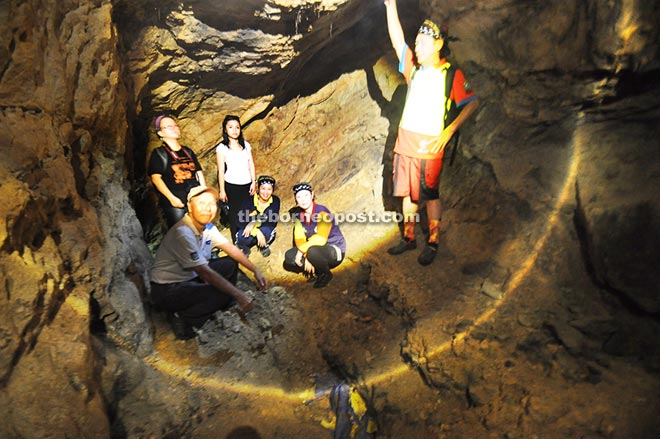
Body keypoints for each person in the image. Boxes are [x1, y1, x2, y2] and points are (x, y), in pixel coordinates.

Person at [383, 0, 480, 265]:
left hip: (429, 146)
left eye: (423, 41)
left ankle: (434, 241)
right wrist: (390, 6)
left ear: (438, 44)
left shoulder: (451, 74)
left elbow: (472, 103)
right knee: (406, 194)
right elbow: (397, 41)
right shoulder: (413, 71)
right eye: (417, 40)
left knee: (429, 194)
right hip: (405, 143)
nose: (417, 45)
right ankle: (409, 238)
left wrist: (448, 132)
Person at [150, 185, 268, 339]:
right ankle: (186, 320)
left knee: (230, 263)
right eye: (201, 203)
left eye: (212, 204)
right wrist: (238, 295)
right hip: (167, 289)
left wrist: (255, 270)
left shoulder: (207, 228)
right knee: (223, 292)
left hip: (188, 276)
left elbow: (230, 248)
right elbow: (206, 272)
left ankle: (217, 301)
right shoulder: (183, 233)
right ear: (189, 207)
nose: (207, 208)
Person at [283, 182, 346, 288]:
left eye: (306, 195)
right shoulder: (299, 216)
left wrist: (304, 254)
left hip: (333, 250)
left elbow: (321, 239)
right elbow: (299, 238)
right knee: (289, 256)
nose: (303, 199)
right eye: (299, 196)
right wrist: (304, 255)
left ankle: (325, 273)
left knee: (312, 251)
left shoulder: (322, 212)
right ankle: (314, 267)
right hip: (314, 249)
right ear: (295, 199)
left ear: (312, 195)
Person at [148, 114, 206, 228]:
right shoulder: (159, 154)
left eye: (175, 125)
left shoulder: (188, 151)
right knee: (182, 235)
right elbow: (156, 178)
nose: (174, 128)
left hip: (195, 199)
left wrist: (205, 192)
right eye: (169, 126)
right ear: (160, 133)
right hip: (176, 204)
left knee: (200, 232)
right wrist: (172, 199)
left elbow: (198, 172)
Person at [216, 115, 256, 241]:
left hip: (247, 183)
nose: (234, 130)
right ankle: (236, 239)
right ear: (225, 130)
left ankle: (249, 237)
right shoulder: (222, 148)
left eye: (237, 127)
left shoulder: (246, 145)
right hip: (232, 185)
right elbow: (221, 170)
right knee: (234, 214)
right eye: (231, 127)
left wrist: (254, 181)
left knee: (248, 211)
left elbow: (251, 164)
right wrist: (222, 190)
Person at [235, 175, 281, 257]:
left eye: (269, 189)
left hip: (263, 228)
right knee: (242, 235)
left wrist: (254, 224)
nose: (266, 193)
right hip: (248, 229)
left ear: (273, 190)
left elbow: (272, 221)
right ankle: (245, 247)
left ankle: (262, 245)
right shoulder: (248, 200)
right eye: (263, 189)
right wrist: (255, 231)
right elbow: (239, 220)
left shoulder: (275, 201)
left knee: (267, 231)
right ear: (258, 189)